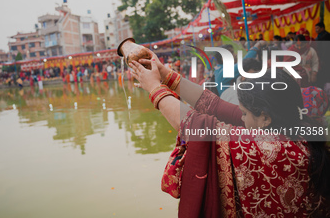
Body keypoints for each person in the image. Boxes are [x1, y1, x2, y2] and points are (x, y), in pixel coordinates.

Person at [129, 49, 330, 217]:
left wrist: (154, 87)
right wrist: (166, 74)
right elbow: (215, 105)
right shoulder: (295, 126)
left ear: (265, 118)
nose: (240, 118)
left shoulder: (271, 149)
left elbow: (197, 125)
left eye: (244, 113)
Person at [315, 22, 330, 89]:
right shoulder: (319, 36)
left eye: (317, 28)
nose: (316, 29)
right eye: (315, 28)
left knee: (325, 74)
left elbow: (325, 50)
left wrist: (322, 60)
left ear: (322, 28)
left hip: (325, 58)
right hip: (321, 58)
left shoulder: (326, 36)